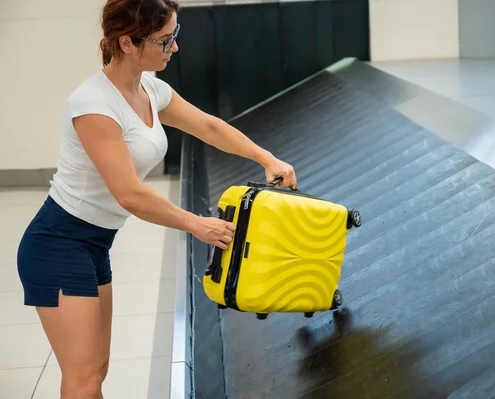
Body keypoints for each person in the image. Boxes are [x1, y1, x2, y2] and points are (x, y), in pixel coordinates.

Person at [16, 0, 297, 398]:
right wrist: (196, 224)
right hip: (56, 247)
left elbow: (208, 126)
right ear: (127, 42)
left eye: (174, 37)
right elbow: (129, 194)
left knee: (97, 369)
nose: (175, 48)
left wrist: (266, 159)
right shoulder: (94, 105)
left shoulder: (149, 87)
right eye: (166, 40)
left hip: (95, 245)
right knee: (81, 379)